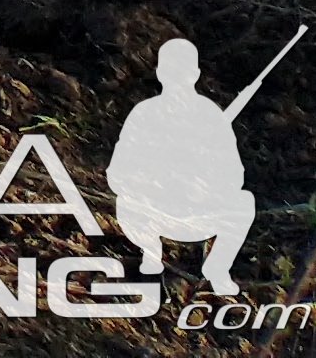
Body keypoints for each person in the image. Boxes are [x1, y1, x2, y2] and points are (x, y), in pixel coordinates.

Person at [108, 38, 259, 295]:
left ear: (195, 74)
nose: (178, 78)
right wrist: (154, 181)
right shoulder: (144, 114)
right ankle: (151, 256)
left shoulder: (211, 116)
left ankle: (217, 268)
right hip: (151, 211)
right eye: (172, 71)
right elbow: (116, 175)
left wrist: (206, 185)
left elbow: (235, 176)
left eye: (183, 71)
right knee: (125, 201)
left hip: (198, 211)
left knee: (244, 202)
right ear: (160, 73)